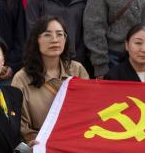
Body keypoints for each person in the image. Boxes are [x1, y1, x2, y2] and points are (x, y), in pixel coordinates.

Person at [14, 16, 90, 144]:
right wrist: (45, 142)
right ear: (36, 40)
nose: (54, 40)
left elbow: (89, 109)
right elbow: (20, 125)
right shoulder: (21, 78)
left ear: (65, 39)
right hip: (41, 145)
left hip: (76, 140)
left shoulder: (77, 69)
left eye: (59, 34)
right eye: (47, 35)